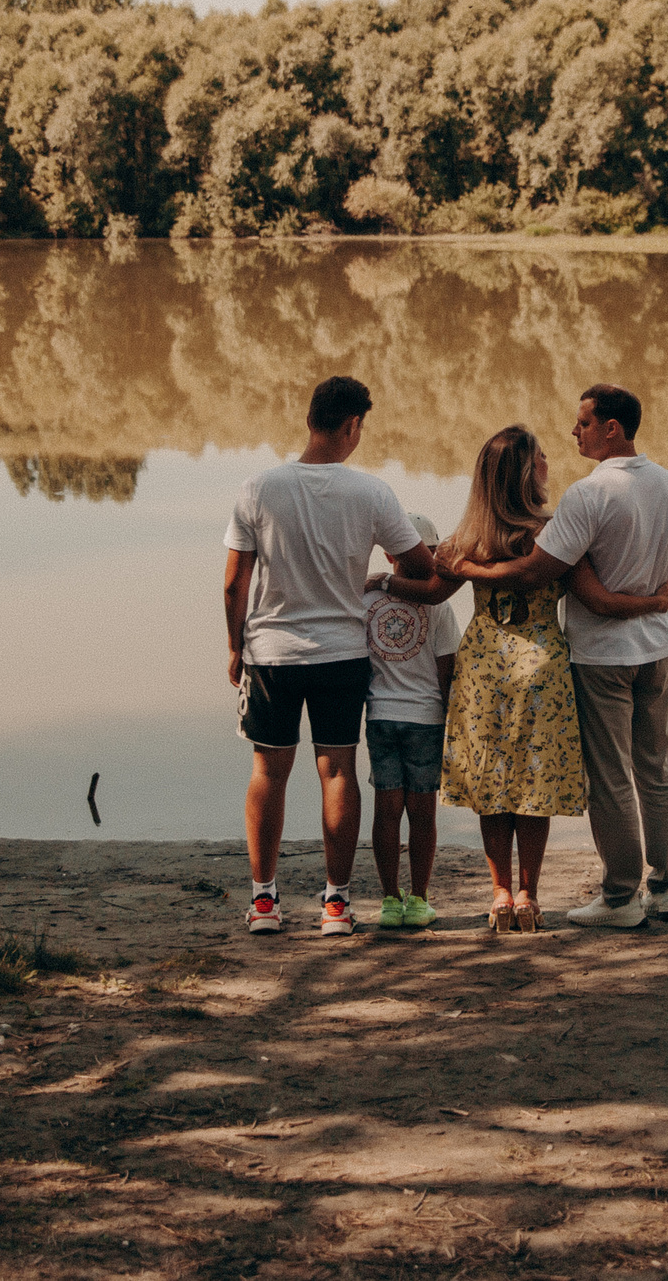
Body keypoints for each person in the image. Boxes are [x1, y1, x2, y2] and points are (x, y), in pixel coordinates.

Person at [445, 384, 668, 930]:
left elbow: (537, 571)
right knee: (657, 769)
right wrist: (654, 603)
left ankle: (622, 895)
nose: (573, 432)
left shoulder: (588, 496)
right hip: (658, 648)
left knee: (610, 778)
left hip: (604, 654)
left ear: (612, 428)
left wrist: (470, 570)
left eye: (583, 423)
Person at [223, 374, 441, 939]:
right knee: (338, 771)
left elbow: (233, 585)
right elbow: (417, 566)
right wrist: (382, 577)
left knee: (268, 771)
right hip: (342, 654)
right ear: (351, 425)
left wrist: (234, 647)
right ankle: (336, 906)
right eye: (360, 428)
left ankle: (265, 903)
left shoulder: (257, 489)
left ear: (309, 420)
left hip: (271, 651)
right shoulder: (372, 493)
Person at [360, 513, 460, 929]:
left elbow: (357, 662)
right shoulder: (439, 607)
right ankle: (419, 899)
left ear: (389, 554)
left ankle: (389, 900)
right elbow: (446, 670)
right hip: (425, 719)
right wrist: (452, 718)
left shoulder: (366, 600)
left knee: (386, 810)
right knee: (422, 813)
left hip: (381, 714)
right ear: (432, 554)